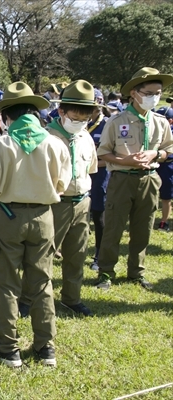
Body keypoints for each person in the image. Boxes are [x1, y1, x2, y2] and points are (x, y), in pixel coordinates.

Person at [0, 81, 71, 368]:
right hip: (44, 217)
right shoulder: (56, 142)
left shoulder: (1, 143)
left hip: (9, 216)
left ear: (7, 115)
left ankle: (9, 349)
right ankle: (46, 349)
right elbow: (63, 184)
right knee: (43, 283)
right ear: (34, 112)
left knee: (8, 286)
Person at [20, 80, 99, 318]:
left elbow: (91, 169)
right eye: (75, 118)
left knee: (77, 253)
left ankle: (71, 298)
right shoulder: (45, 137)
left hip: (82, 201)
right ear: (61, 111)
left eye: (85, 119)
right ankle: (28, 298)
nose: (80, 123)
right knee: (42, 254)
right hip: (55, 203)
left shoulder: (85, 137)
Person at [95, 67, 173, 291]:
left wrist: (155, 154)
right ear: (135, 93)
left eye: (158, 93)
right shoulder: (117, 121)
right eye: (150, 93)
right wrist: (125, 160)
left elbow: (168, 149)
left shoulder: (160, 121)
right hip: (122, 178)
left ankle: (136, 272)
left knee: (143, 228)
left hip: (149, 179)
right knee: (113, 227)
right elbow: (102, 153)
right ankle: (106, 272)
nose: (155, 97)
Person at [87, 104, 110, 270]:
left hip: (100, 175)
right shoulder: (82, 124)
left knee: (98, 214)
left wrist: (90, 165)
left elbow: (111, 157)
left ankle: (99, 255)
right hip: (80, 175)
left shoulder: (107, 125)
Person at [155, 105, 173, 231]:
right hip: (157, 164)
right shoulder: (155, 129)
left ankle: (164, 222)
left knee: (166, 197)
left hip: (168, 165)